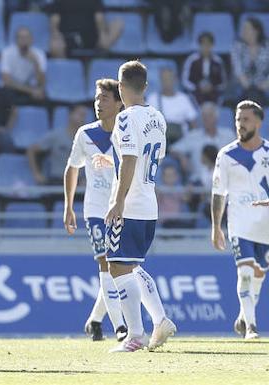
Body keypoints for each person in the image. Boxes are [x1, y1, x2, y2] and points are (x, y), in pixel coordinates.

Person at [104, 60, 176, 352]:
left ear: (120, 87)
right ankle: (160, 320)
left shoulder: (124, 118)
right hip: (149, 202)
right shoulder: (158, 117)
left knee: (117, 266)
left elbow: (131, 159)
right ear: (145, 87)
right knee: (131, 266)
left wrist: (117, 202)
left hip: (130, 203)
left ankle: (135, 335)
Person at [64, 79, 126, 343]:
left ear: (119, 103)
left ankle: (94, 320)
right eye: (97, 98)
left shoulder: (128, 133)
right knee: (106, 262)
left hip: (124, 208)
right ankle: (121, 326)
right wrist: (68, 206)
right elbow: (72, 167)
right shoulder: (85, 134)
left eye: (104, 99)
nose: (98, 103)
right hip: (96, 210)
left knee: (121, 268)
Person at [211, 100, 269, 340]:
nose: (240, 125)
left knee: (259, 274)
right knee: (244, 272)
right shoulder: (226, 155)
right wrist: (216, 227)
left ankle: (245, 315)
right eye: (237, 120)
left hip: (265, 226)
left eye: (245, 120)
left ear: (258, 122)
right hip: (240, 224)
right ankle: (252, 327)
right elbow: (218, 192)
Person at [170, 102, 234, 182]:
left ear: (216, 118)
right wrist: (181, 157)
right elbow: (173, 149)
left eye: (209, 116)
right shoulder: (193, 136)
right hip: (198, 183)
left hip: (224, 181)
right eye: (204, 116)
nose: (206, 119)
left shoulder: (228, 135)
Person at [28, 104, 87, 185]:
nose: (82, 118)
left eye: (84, 116)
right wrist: (36, 174)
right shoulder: (56, 135)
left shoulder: (87, 139)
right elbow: (31, 150)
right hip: (57, 181)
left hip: (78, 182)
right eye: (80, 114)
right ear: (70, 115)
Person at [46, 0, 123, 58]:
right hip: (68, 37)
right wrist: (56, 35)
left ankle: (100, 58)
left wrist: (102, 34)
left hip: (92, 37)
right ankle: (65, 71)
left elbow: (99, 18)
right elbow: (54, 20)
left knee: (118, 23)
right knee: (55, 45)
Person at [147, 66, 197, 145]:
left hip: (181, 141)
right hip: (159, 142)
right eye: (164, 79)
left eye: (169, 79)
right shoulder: (152, 99)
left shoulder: (183, 98)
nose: (166, 82)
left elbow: (193, 124)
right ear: (160, 80)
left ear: (175, 80)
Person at [0, 27, 46, 104]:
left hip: (29, 86)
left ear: (32, 40)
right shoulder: (6, 53)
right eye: (21, 37)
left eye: (27, 37)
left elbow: (41, 82)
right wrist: (30, 91)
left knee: (42, 96)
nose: (24, 40)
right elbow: (7, 81)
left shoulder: (39, 54)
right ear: (16, 40)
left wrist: (36, 63)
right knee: (5, 95)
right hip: (13, 87)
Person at [181, 32, 227, 105]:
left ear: (212, 45)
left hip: (213, 93)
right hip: (195, 92)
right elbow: (185, 81)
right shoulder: (191, 61)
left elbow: (223, 83)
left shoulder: (218, 62)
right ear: (199, 45)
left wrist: (212, 87)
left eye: (208, 44)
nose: (206, 47)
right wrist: (197, 87)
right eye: (203, 44)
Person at [231, 17, 269, 105]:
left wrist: (266, 83)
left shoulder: (267, 46)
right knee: (249, 95)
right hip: (242, 84)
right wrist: (245, 83)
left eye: (246, 28)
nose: (243, 31)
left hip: (264, 84)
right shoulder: (237, 46)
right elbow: (237, 68)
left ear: (256, 31)